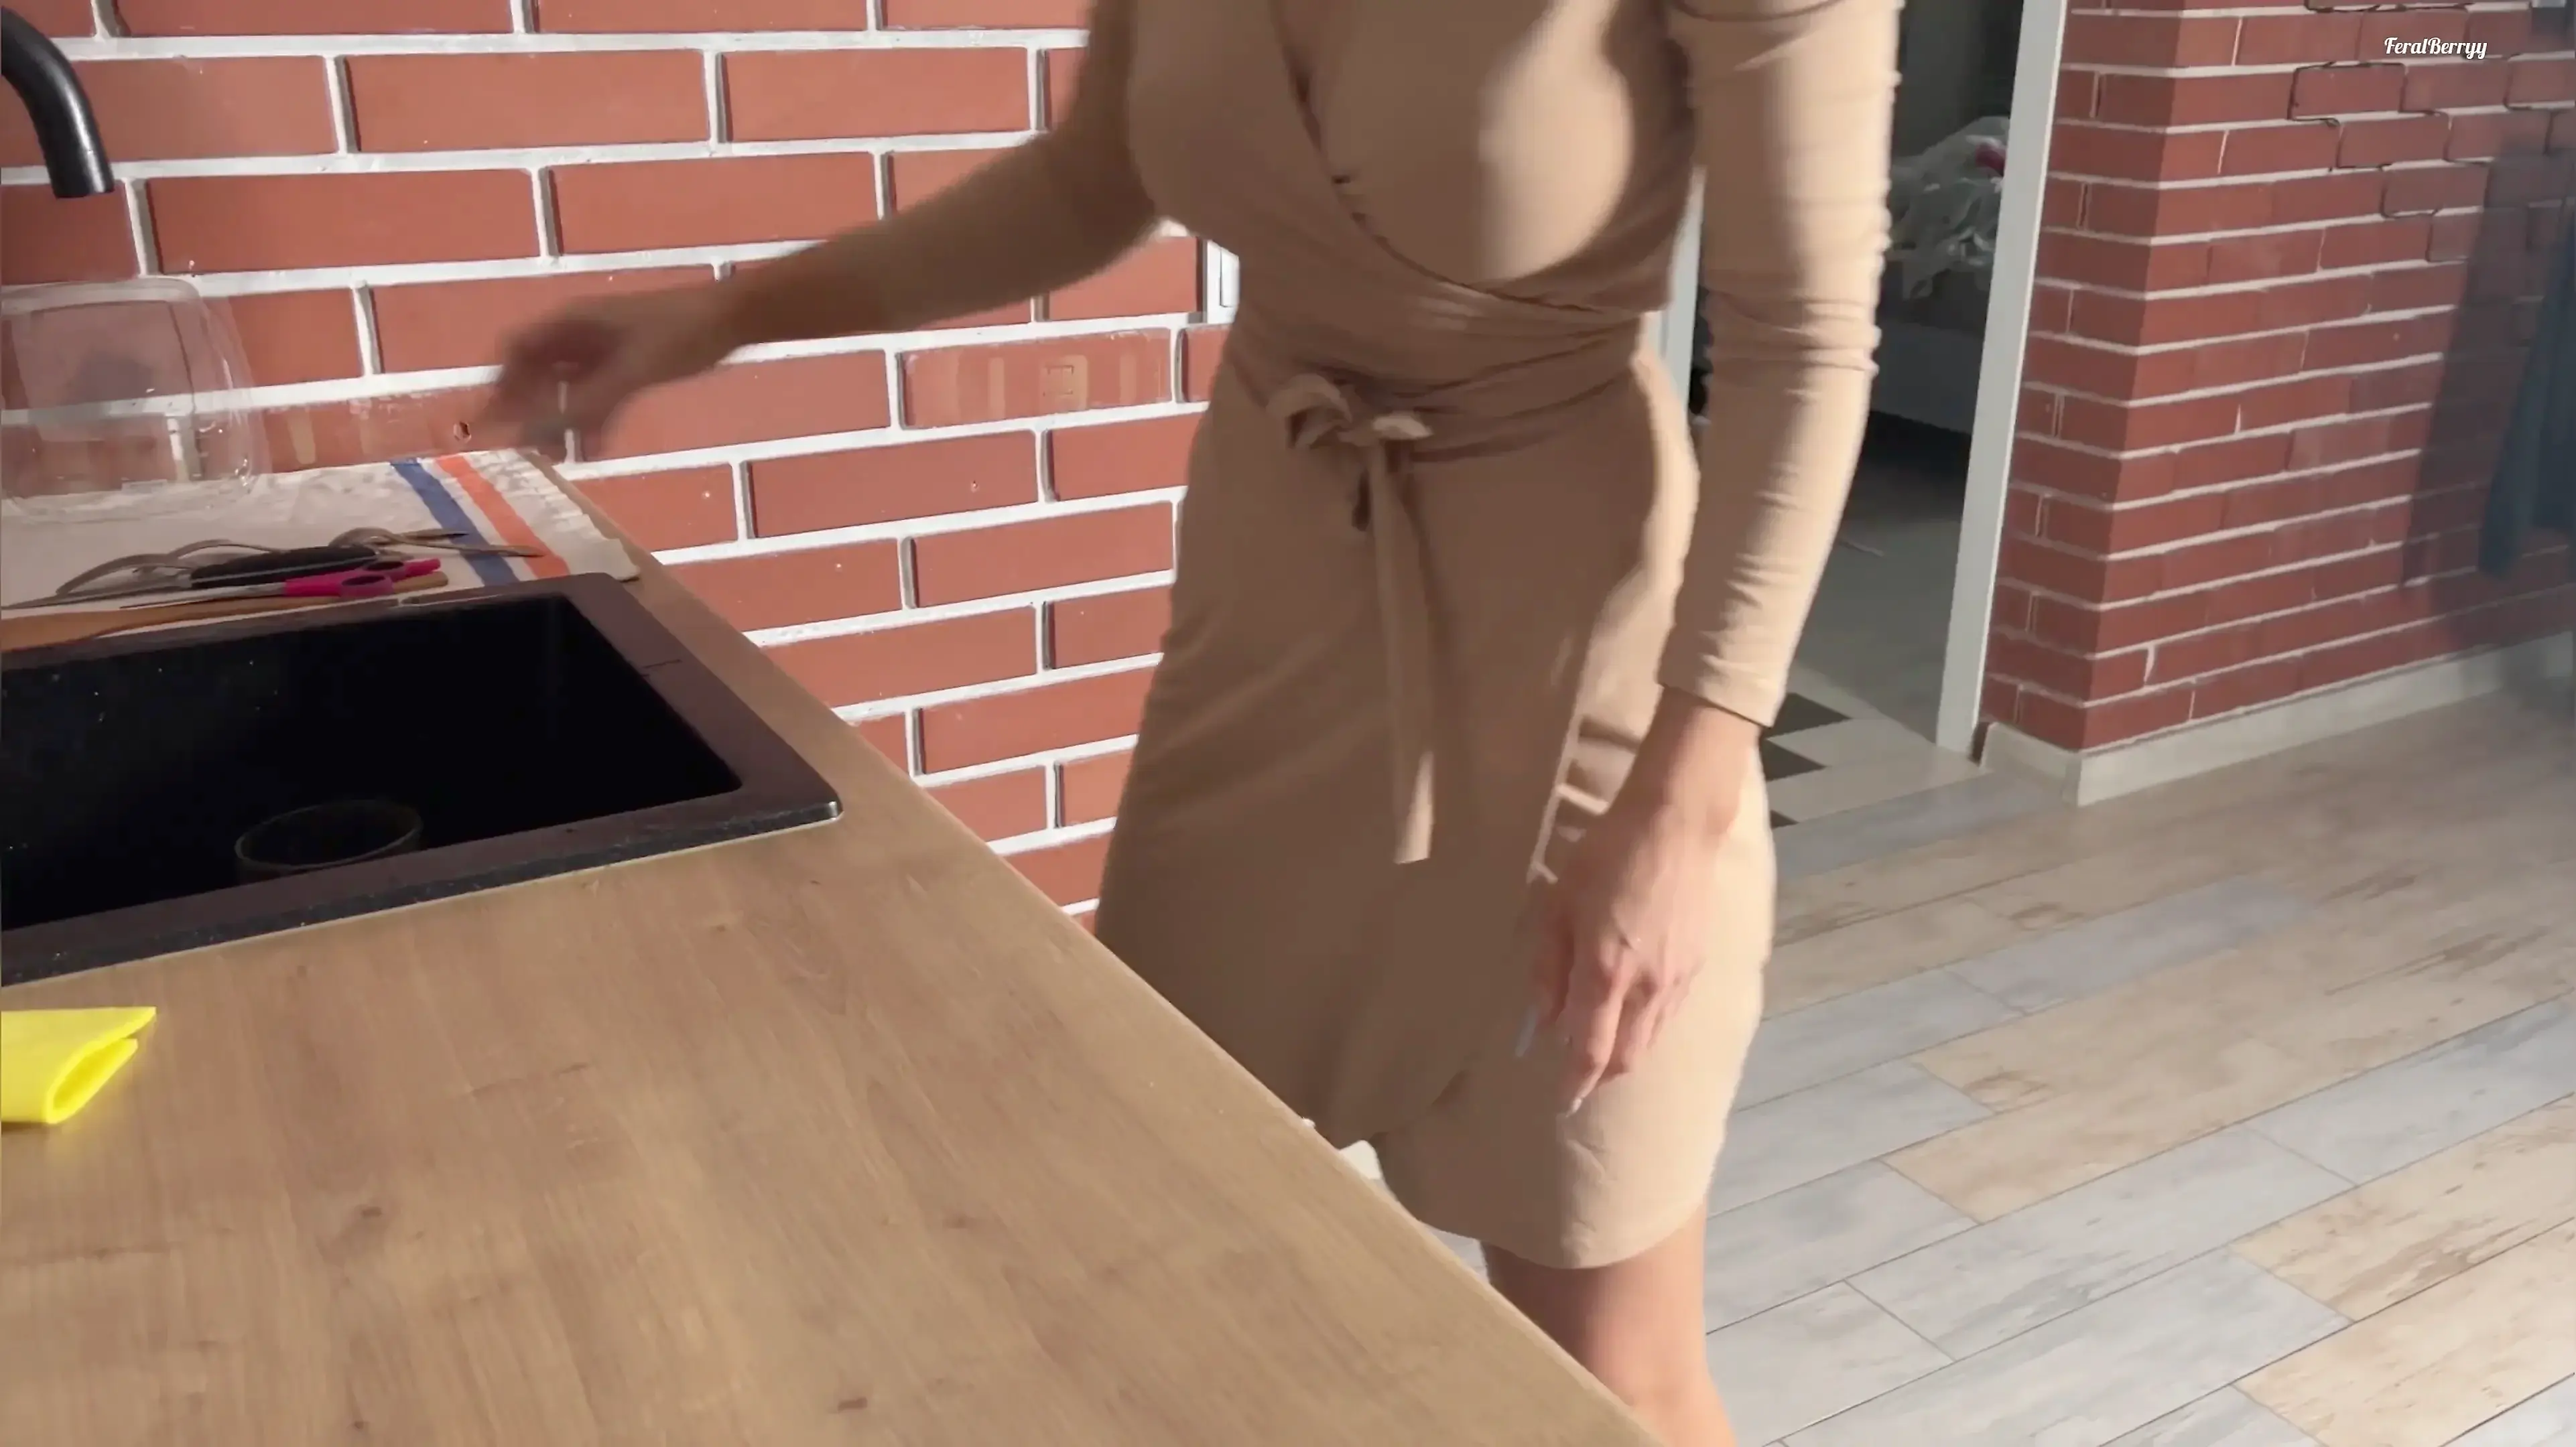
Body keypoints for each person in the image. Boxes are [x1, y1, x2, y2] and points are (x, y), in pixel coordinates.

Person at [485, 1, 1894, 1440]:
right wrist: (725, 314)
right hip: (1272, 611)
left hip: (1570, 662)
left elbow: (1803, 344)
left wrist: (1680, 811)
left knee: (1608, 1357)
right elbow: (1089, 180)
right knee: (1163, 1217)